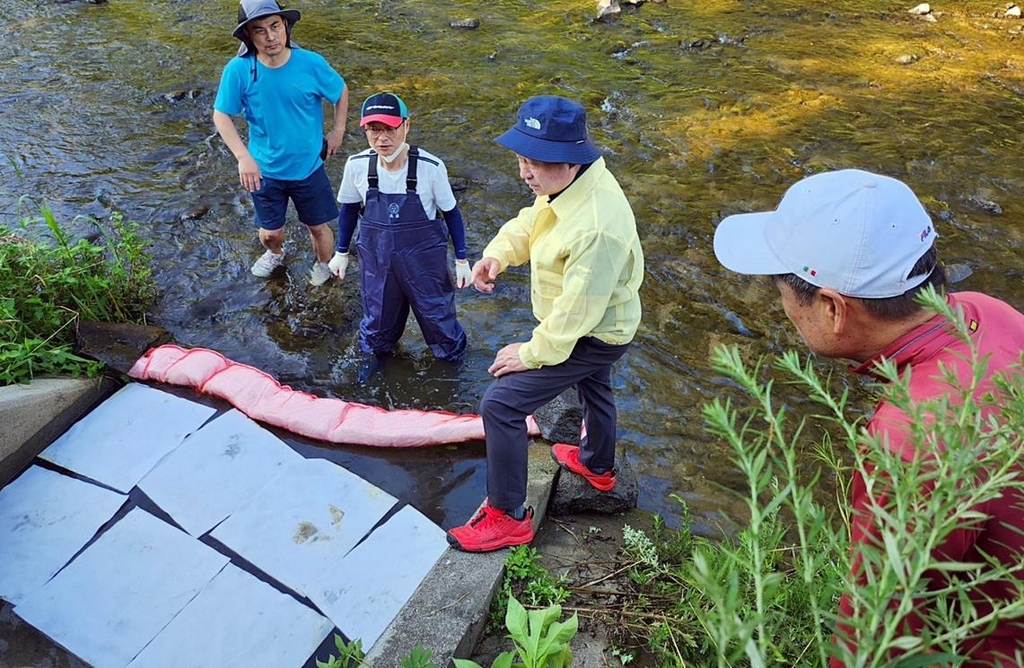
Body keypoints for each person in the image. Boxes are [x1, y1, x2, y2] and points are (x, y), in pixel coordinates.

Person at [712, 169, 1024, 666]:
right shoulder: (988, 314)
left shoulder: (907, 445)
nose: (784, 307)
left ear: (834, 308)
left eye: (782, 289)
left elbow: (879, 634)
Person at [446, 95, 644, 553]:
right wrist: (497, 254)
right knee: (595, 387)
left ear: (570, 161)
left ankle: (508, 515)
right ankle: (598, 466)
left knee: (501, 404)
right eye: (520, 158)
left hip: (594, 329)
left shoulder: (596, 227)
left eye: (535, 162)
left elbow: (575, 317)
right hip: (605, 319)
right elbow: (531, 222)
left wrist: (530, 352)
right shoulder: (568, 184)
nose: (524, 172)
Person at [213, 0, 349, 286]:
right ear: (249, 36)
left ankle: (324, 264)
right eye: (260, 30)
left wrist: (338, 130)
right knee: (270, 233)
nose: (270, 36)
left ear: (285, 26)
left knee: (318, 227)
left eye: (275, 26)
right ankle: (275, 253)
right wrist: (243, 157)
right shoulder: (239, 70)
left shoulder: (310, 63)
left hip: (309, 168)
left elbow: (340, 91)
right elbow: (221, 115)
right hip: (264, 170)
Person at [329, 92, 470, 365]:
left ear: (406, 125)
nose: (382, 139)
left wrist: (462, 259)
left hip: (423, 262)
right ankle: (375, 369)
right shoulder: (357, 166)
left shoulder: (431, 167)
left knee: (439, 321)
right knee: (377, 323)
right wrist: (341, 252)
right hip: (378, 260)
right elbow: (348, 209)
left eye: (390, 129)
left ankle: (453, 373)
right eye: (374, 130)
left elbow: (451, 213)